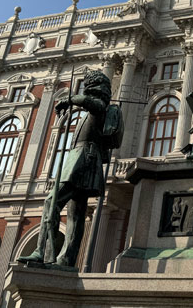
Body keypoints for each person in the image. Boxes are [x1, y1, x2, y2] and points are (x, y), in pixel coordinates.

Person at [18, 70, 122, 268]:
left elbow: (94, 104)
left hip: (83, 159)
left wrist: (71, 99)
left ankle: (41, 252)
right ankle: (66, 260)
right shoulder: (93, 112)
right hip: (84, 160)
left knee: (52, 202)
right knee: (76, 214)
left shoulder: (100, 107)